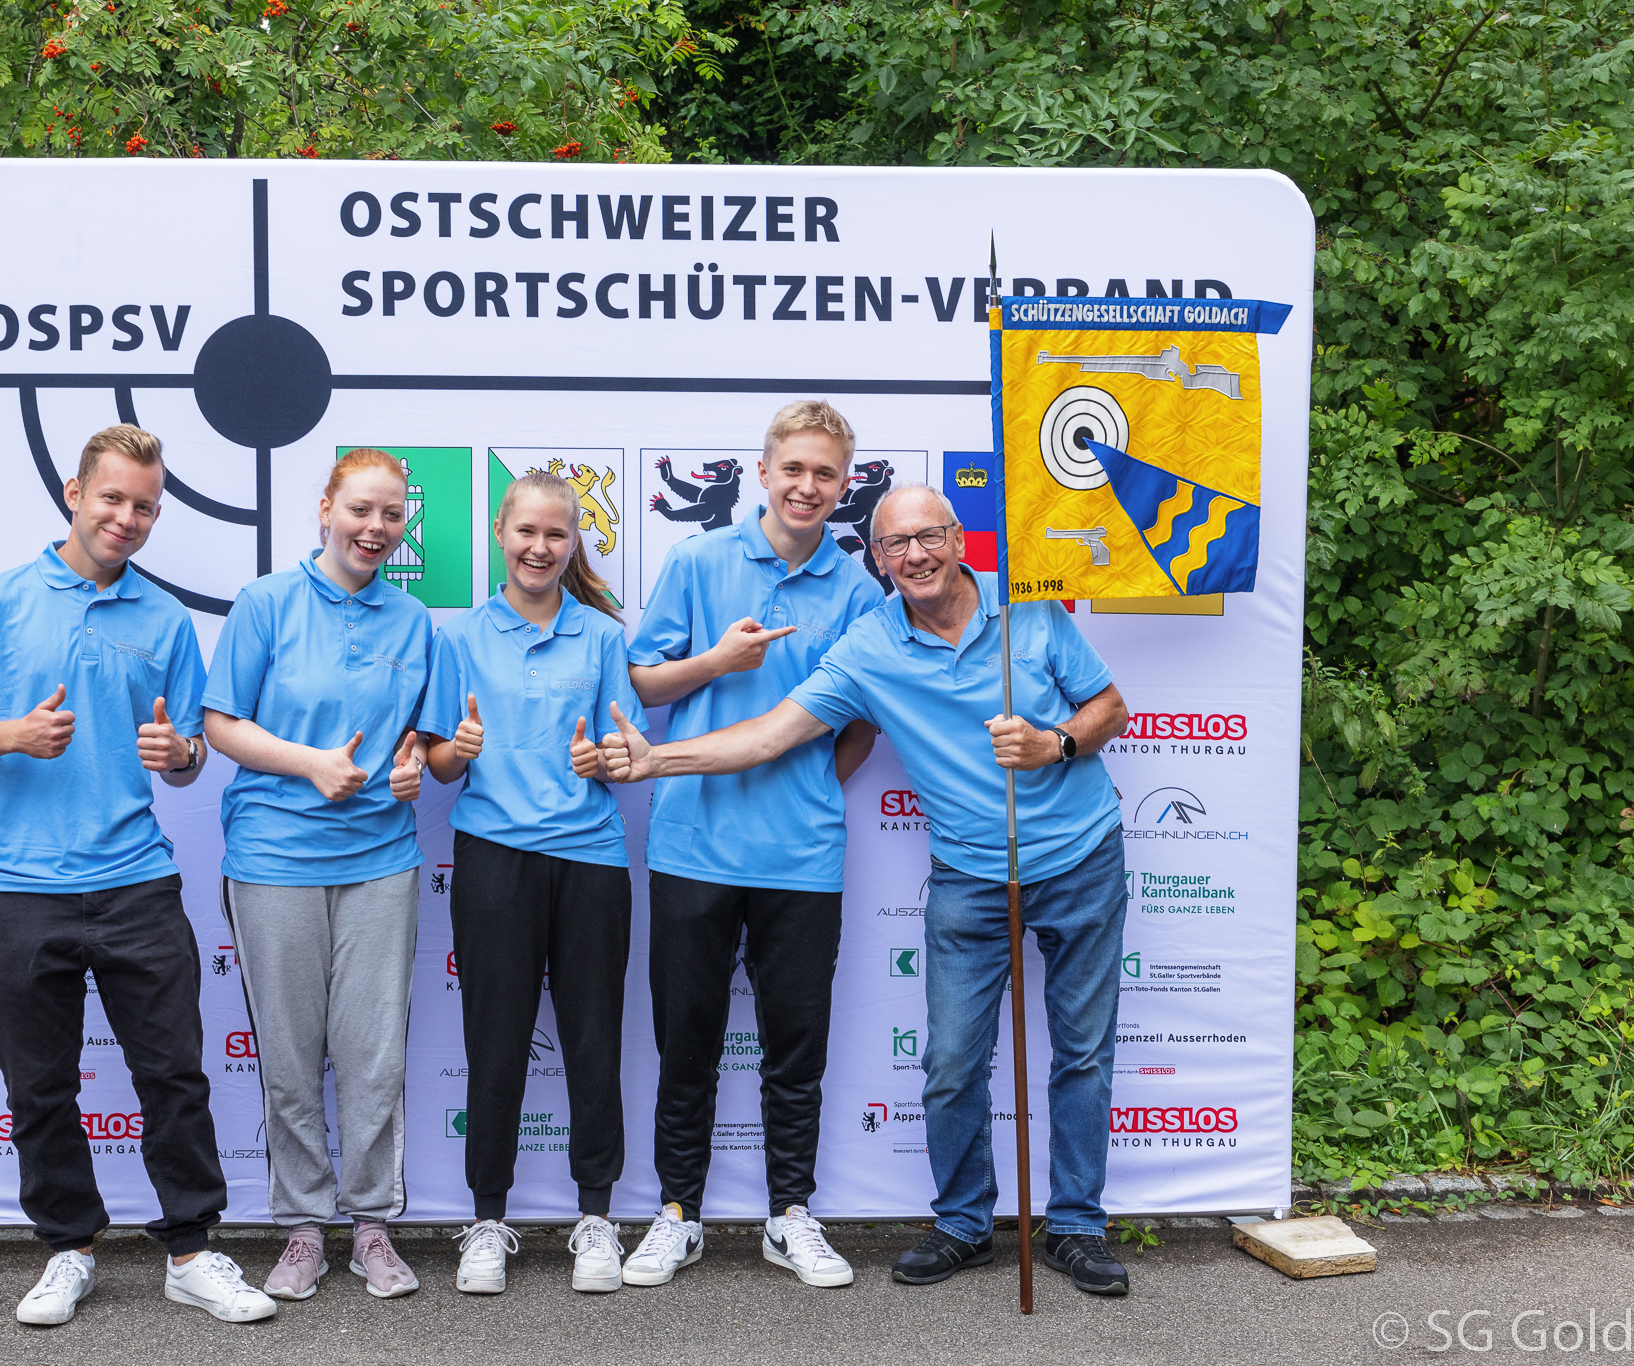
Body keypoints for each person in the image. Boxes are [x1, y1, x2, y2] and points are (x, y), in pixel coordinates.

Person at [601, 483, 1135, 1297]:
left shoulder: (1027, 608)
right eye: (895, 545)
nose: (915, 556)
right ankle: (964, 1223)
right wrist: (657, 760)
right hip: (969, 872)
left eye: (929, 537)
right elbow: (770, 734)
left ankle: (1076, 1227)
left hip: (1080, 857)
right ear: (878, 559)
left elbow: (1109, 706)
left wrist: (1054, 742)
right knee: (952, 1061)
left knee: (1083, 1054)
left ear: (958, 539)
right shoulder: (868, 645)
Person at [0, 425, 276, 1327]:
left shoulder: (165, 619)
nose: (128, 518)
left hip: (137, 880)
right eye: (113, 498)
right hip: (19, 884)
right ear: (74, 494)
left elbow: (188, 754)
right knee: (39, 1086)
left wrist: (181, 755)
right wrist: (10, 734)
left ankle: (191, 1252)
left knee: (174, 1077)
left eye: (145, 506)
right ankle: (68, 1249)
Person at [619, 401, 883, 1290]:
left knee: (795, 1050)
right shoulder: (698, 561)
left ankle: (790, 1216)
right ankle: (677, 1215)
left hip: (801, 856)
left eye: (824, 474)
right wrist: (716, 664)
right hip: (692, 843)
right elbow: (644, 682)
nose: (807, 486)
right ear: (763, 473)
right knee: (685, 1044)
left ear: (843, 486)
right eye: (793, 469)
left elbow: (860, 727)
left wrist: (805, 790)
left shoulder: (858, 591)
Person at [200, 448, 432, 1302]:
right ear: (326, 509)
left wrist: (412, 765)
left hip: (380, 861)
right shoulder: (265, 603)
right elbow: (221, 723)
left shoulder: (413, 621)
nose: (376, 527)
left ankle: (371, 1226)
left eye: (392, 514)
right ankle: (302, 1228)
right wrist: (310, 764)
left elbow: (423, 738)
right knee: (291, 1057)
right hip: (273, 858)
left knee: (373, 1058)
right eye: (360, 509)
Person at [415, 469, 647, 1296]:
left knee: (593, 1039)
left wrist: (602, 759)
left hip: (590, 859)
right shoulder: (460, 639)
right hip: (494, 857)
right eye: (526, 532)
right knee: (496, 1039)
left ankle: (597, 1218)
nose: (540, 547)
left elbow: (627, 754)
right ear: (500, 535)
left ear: (573, 541)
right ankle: (487, 1219)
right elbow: (439, 764)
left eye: (556, 534)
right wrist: (459, 749)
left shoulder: (603, 636)